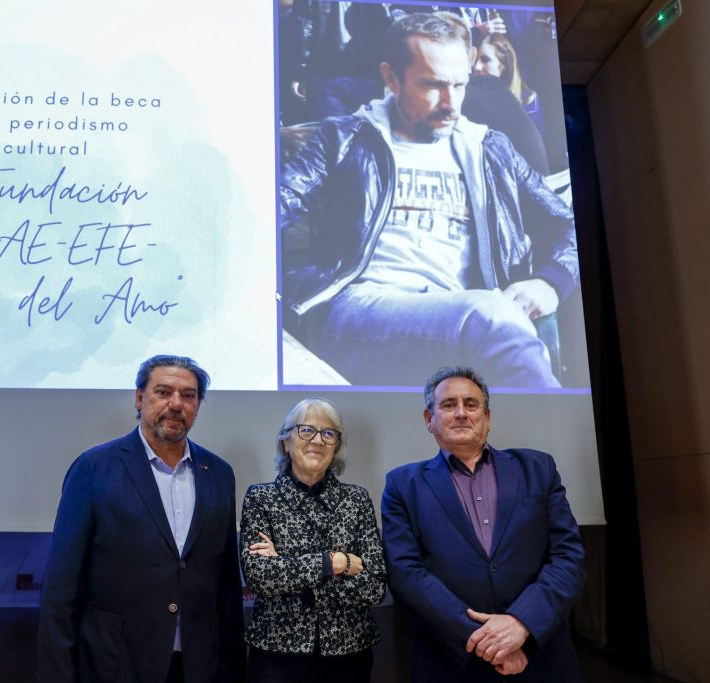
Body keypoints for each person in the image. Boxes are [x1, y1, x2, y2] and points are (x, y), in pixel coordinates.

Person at [279, 12, 577, 388]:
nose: (451, 103)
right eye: (433, 85)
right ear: (391, 78)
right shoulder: (344, 138)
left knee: (488, 317)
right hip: (360, 310)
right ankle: (556, 437)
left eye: (459, 84)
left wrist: (550, 284)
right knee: (490, 316)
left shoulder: (488, 147)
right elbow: (279, 204)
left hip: (460, 314)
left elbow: (566, 223)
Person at [37, 355, 245, 683]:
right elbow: (61, 588)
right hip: (117, 662)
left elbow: (227, 584)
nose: (176, 404)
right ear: (139, 398)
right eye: (163, 392)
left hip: (198, 663)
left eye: (188, 396)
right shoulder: (94, 469)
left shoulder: (219, 473)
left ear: (198, 405)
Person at [381, 366, 586, 681]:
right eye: (448, 405)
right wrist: (486, 641)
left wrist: (522, 624)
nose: (461, 413)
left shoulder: (538, 468)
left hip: (540, 655)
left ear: (487, 417)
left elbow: (568, 557)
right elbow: (406, 573)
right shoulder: (402, 484)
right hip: (451, 661)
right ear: (429, 420)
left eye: (471, 404)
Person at [240, 397, 386, 682]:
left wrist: (295, 580)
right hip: (277, 653)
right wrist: (335, 562)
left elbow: (374, 586)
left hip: (349, 653)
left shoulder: (356, 500)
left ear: (337, 446)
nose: (318, 441)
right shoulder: (261, 498)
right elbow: (260, 576)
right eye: (306, 430)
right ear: (286, 441)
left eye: (328, 433)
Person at [473, 33, 544, 135]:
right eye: (475, 60)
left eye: (485, 60)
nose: (477, 67)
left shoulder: (528, 103)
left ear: (504, 65)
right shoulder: (472, 98)